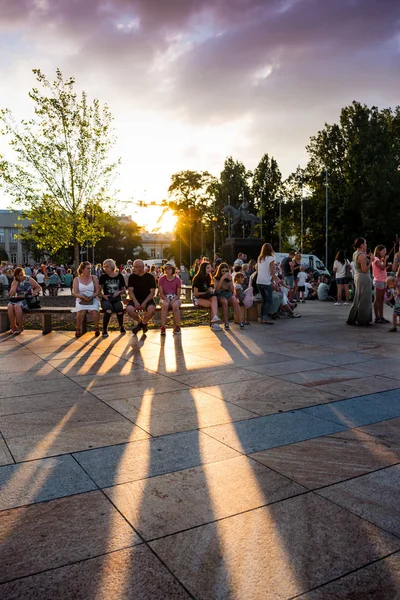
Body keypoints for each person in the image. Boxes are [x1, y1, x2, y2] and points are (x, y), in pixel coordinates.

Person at [7, 267, 41, 334]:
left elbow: (39, 287)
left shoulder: (28, 279)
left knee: (16, 306)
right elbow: (11, 294)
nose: (22, 276)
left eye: (22, 274)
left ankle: (20, 327)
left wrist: (34, 292)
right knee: (10, 306)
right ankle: (13, 326)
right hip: (18, 299)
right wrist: (15, 285)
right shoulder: (15, 282)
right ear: (16, 276)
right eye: (19, 275)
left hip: (27, 299)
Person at [347, 238, 372, 326]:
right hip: (363, 277)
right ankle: (363, 319)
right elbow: (365, 269)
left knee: (358, 297)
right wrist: (370, 262)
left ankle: (353, 317)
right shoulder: (361, 255)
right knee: (365, 298)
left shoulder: (355, 253)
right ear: (361, 245)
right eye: (365, 243)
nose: (366, 245)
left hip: (358, 276)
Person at [126, 259, 156, 335]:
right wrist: (135, 302)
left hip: (147, 299)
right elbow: (130, 291)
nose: (133, 268)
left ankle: (140, 326)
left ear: (142, 267)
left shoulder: (150, 277)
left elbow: (152, 293)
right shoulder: (132, 277)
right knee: (129, 309)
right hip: (135, 299)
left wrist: (144, 303)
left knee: (151, 309)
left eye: (136, 267)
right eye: (133, 266)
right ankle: (142, 323)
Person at [72, 261, 101, 338]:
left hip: (93, 297)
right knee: (81, 311)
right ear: (82, 269)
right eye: (88, 268)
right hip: (81, 298)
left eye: (90, 268)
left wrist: (92, 296)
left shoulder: (94, 278)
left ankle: (97, 328)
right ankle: (78, 329)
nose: (90, 270)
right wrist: (82, 297)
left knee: (95, 311)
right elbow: (75, 293)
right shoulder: (76, 279)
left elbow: (98, 291)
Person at [99, 259, 126, 337]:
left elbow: (124, 290)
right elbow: (98, 290)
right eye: (104, 267)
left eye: (107, 267)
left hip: (117, 299)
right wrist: (103, 296)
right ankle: (104, 329)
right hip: (106, 299)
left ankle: (121, 326)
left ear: (112, 267)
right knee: (108, 310)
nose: (105, 269)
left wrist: (118, 292)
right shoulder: (103, 277)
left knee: (120, 310)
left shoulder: (120, 276)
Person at [192, 261, 222, 331]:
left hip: (206, 297)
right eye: (208, 268)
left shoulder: (208, 277)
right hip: (197, 298)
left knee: (214, 298)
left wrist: (211, 290)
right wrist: (206, 292)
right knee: (213, 304)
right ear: (203, 269)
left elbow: (209, 287)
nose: (210, 269)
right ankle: (214, 324)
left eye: (210, 267)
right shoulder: (197, 278)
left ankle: (214, 319)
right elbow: (196, 293)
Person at [214, 262, 245, 329]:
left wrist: (230, 280)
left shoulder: (229, 278)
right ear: (220, 271)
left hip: (228, 294)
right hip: (220, 295)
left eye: (226, 271)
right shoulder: (216, 278)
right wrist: (222, 278)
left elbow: (232, 290)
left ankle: (241, 321)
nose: (224, 272)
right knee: (225, 302)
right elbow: (217, 288)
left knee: (234, 300)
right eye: (223, 271)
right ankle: (226, 322)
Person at [257, 243, 278, 325]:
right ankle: (265, 319)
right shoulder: (271, 258)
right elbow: (272, 270)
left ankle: (262, 318)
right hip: (266, 282)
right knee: (269, 301)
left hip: (259, 281)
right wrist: (276, 280)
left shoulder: (260, 258)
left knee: (264, 300)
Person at [158, 262, 182, 335]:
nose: (167, 270)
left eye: (169, 269)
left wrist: (173, 300)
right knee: (165, 305)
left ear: (173, 270)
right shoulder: (161, 279)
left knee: (175, 305)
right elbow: (161, 294)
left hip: (175, 298)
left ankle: (177, 326)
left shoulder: (178, 280)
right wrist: (167, 299)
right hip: (165, 298)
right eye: (166, 269)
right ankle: (163, 327)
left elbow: (178, 294)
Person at [371, 245, 390, 324]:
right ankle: (377, 317)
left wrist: (387, 266)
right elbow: (382, 267)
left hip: (383, 281)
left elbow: (383, 269)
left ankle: (381, 316)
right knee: (377, 299)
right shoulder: (376, 259)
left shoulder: (380, 260)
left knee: (381, 299)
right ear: (379, 251)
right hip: (378, 281)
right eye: (383, 251)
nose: (385, 253)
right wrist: (385, 260)